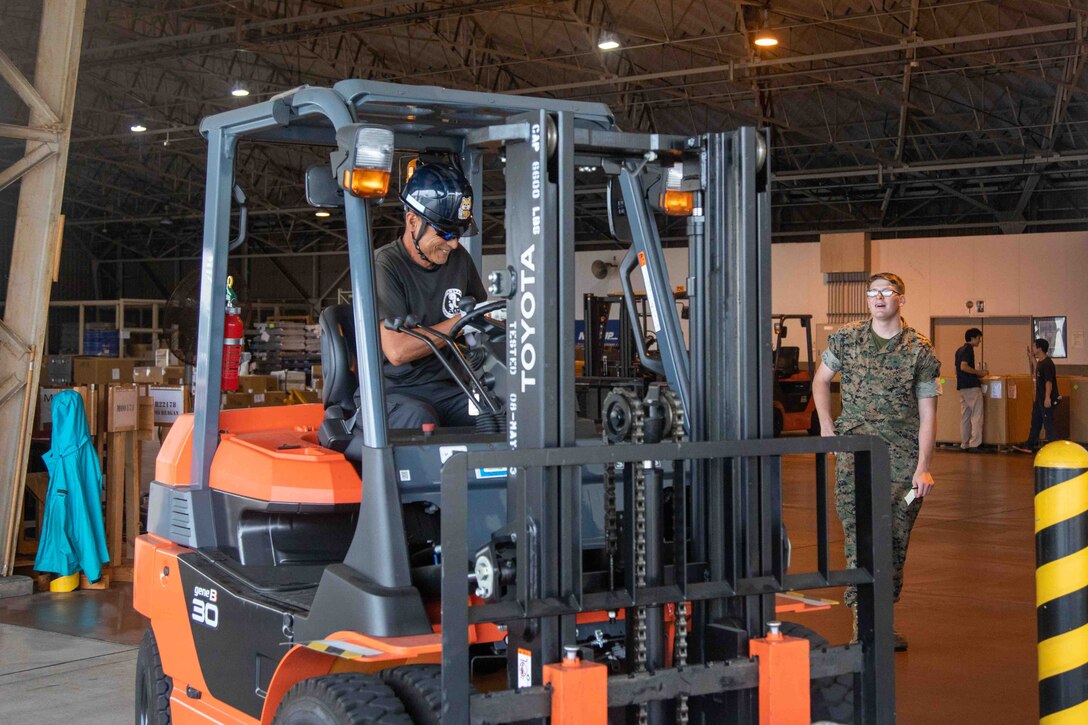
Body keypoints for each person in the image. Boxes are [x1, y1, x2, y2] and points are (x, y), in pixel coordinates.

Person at [812, 272, 941, 652]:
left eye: (887, 292)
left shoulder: (920, 350)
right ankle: (863, 626)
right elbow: (821, 381)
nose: (879, 298)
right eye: (873, 293)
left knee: (894, 539)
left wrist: (924, 466)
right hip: (854, 454)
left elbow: (929, 415)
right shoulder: (846, 339)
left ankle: (882, 619)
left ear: (902, 299)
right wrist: (826, 426)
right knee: (858, 536)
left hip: (902, 462)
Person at [375, 162, 487, 429]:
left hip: (450, 387)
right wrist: (460, 321)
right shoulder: (385, 265)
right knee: (420, 419)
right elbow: (397, 350)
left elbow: (482, 317)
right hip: (397, 392)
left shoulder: (458, 259)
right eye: (445, 233)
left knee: (497, 414)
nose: (453, 243)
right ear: (413, 221)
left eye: (458, 233)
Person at [1013, 339, 1058, 453]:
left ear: (1039, 348)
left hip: (1046, 399)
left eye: (1034, 346)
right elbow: (1038, 368)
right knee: (1035, 422)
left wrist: (1047, 397)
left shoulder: (1047, 364)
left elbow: (1049, 382)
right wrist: (1031, 357)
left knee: (1049, 425)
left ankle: (1054, 449)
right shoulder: (1041, 363)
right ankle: (1030, 445)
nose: (1033, 348)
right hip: (1039, 399)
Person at [955, 328, 985, 451]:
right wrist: (979, 373)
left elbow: (957, 369)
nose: (979, 341)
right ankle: (975, 443)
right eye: (978, 338)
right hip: (972, 386)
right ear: (972, 338)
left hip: (962, 386)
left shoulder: (959, 350)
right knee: (977, 415)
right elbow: (963, 366)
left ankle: (964, 443)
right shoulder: (968, 349)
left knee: (965, 416)